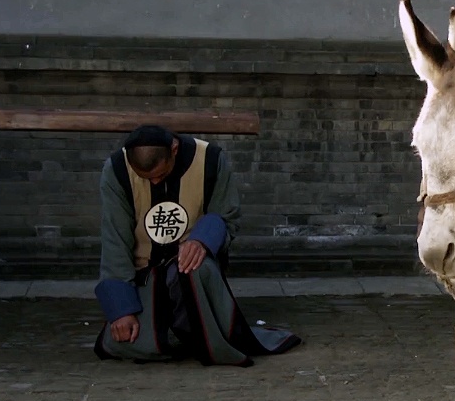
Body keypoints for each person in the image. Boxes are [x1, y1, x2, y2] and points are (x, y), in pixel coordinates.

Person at [92, 124, 300, 366]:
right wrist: (121, 309)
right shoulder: (117, 170)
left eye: (160, 174)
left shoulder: (210, 159)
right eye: (147, 179)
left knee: (192, 268)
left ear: (175, 149)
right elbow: (114, 237)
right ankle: (179, 335)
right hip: (144, 273)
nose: (156, 182)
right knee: (130, 341)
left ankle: (198, 334)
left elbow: (226, 216)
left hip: (194, 266)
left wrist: (202, 240)